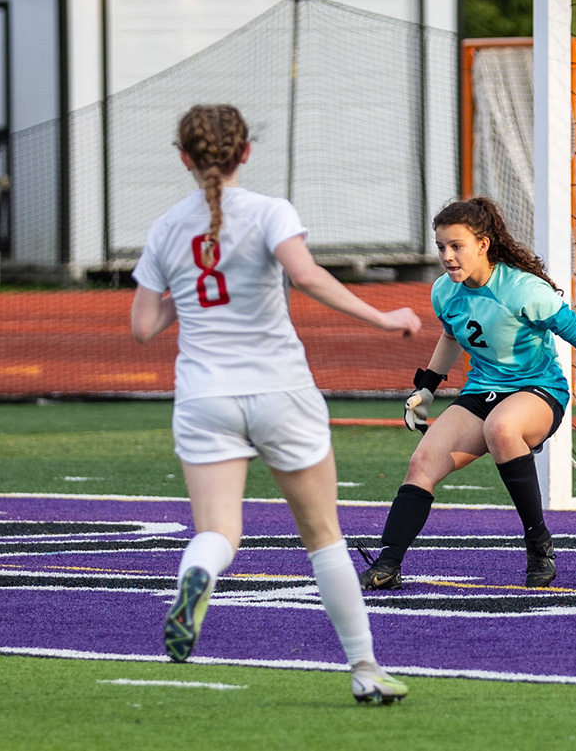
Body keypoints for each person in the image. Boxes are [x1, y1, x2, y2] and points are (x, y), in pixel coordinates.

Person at [130, 104, 423, 705]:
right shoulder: (269, 211)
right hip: (280, 390)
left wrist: (189, 291)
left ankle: (197, 573)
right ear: (246, 152)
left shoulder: (165, 227)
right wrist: (382, 316)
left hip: (205, 396)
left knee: (218, 532)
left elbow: (142, 326)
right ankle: (365, 669)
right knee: (323, 536)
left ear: (184, 159)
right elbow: (306, 276)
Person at [358, 197, 576, 592]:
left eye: (456, 246)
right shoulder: (444, 291)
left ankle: (539, 546)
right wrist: (426, 388)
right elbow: (450, 336)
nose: (447, 256)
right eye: (441, 246)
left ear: (483, 244)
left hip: (539, 391)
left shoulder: (524, 290)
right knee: (422, 463)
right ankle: (388, 563)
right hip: (482, 391)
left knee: (502, 427)